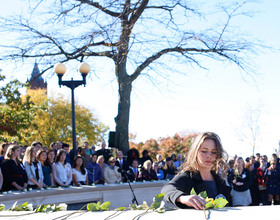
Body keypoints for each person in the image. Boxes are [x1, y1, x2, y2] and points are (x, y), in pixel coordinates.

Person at [161, 132, 231, 210]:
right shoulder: (188, 176)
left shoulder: (220, 180)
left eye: (214, 152)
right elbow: (167, 189)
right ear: (195, 152)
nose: (209, 155)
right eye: (204, 151)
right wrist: (182, 198)